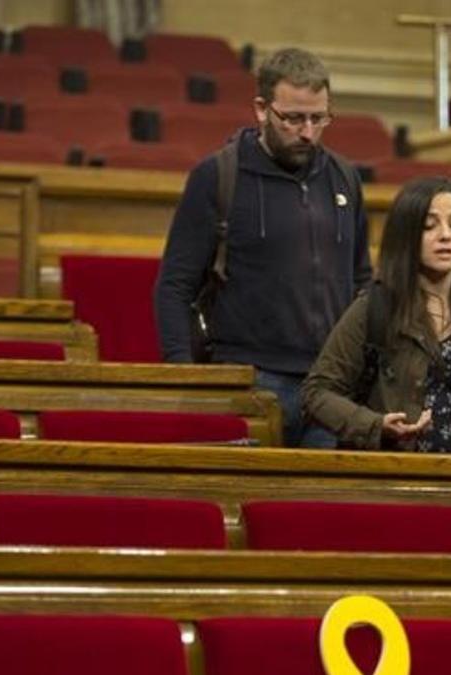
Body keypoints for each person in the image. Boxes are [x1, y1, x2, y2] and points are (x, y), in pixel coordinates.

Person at [154, 47, 371, 448]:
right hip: (248, 380)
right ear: (260, 109)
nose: (307, 132)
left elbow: (362, 281)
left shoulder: (344, 178)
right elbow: (174, 286)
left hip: (329, 387)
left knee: (316, 509)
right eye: (292, 118)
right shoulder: (218, 175)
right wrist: (182, 377)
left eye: (318, 118)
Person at [302, 176, 451, 549]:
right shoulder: (376, 308)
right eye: (430, 226)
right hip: (401, 486)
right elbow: (316, 392)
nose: (446, 235)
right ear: (406, 238)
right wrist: (376, 425)